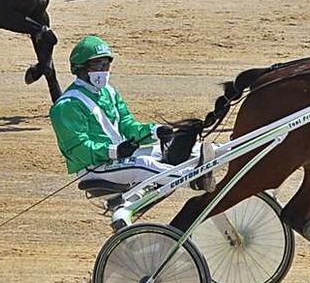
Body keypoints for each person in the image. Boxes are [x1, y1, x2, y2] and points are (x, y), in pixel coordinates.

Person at [49, 35, 215, 192]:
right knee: (143, 163)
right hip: (94, 168)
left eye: (106, 65)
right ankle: (193, 178)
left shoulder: (109, 92)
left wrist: (154, 131)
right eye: (97, 65)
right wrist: (115, 151)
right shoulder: (67, 106)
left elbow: (128, 125)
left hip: (118, 159)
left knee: (191, 149)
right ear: (80, 68)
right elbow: (79, 150)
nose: (103, 70)